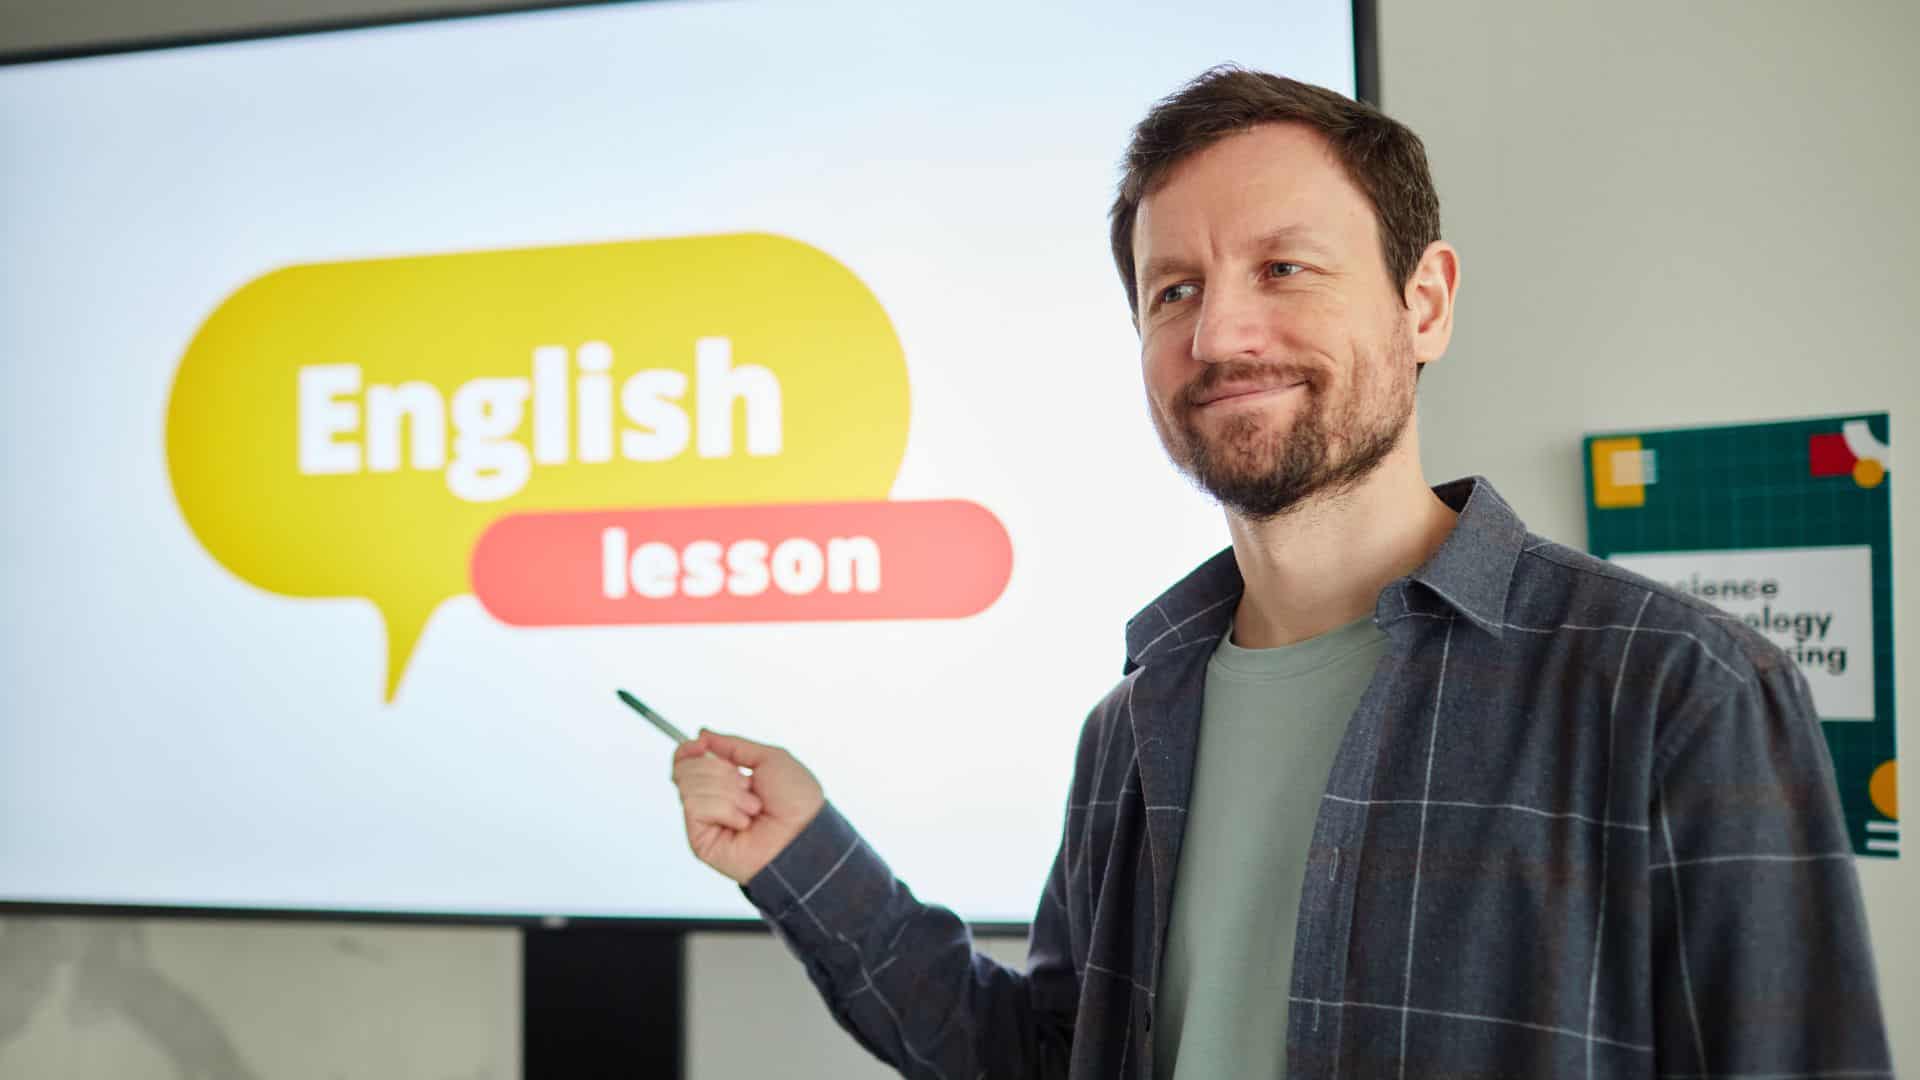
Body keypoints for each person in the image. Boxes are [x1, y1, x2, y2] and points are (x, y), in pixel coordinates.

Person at [668, 67, 1891, 1079]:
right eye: (1175, 291)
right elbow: (1045, 1060)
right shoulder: (1131, 728)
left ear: (1425, 302)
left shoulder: (1678, 692)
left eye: (1284, 269)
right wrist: (802, 856)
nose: (1219, 335)